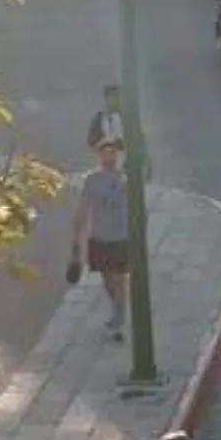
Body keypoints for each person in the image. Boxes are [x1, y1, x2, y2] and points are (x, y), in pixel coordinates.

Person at [72, 139, 131, 341]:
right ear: (99, 156)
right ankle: (117, 308)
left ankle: (119, 318)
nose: (110, 158)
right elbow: (83, 207)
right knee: (107, 279)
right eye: (105, 154)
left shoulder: (126, 178)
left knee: (118, 278)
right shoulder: (92, 180)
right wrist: (77, 233)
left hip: (121, 236)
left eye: (113, 153)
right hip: (99, 236)